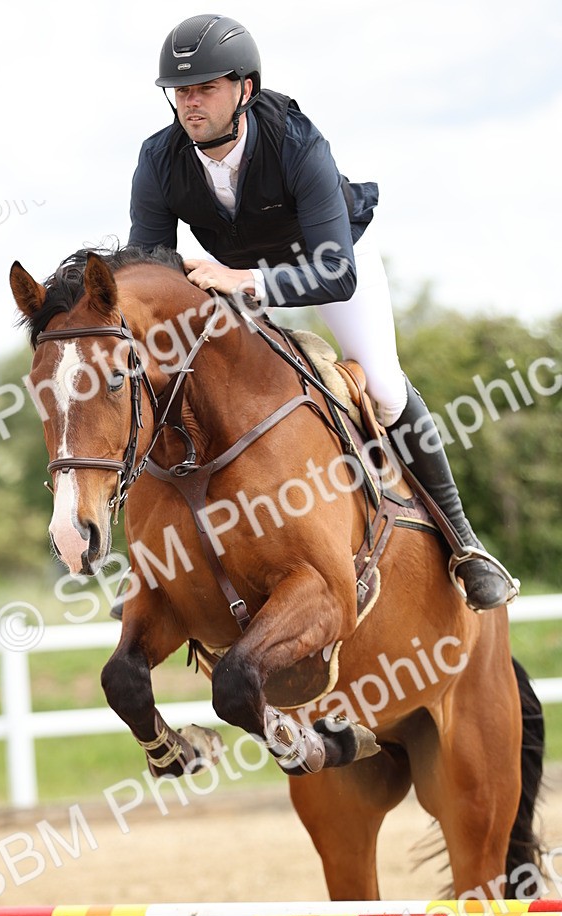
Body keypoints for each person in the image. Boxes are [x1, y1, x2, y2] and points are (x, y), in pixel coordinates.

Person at [128, 13, 517, 611]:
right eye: (180, 91)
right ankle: (160, 565)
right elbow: (152, 267)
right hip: (232, 281)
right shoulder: (159, 158)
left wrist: (244, 280)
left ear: (245, 90)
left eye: (205, 88)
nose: (189, 103)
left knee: (383, 387)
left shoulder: (297, 143)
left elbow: (337, 272)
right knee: (183, 383)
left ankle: (465, 546)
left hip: (331, 264)